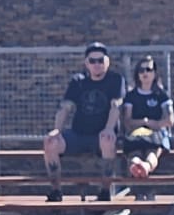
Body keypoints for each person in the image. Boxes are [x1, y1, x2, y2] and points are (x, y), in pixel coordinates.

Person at [42, 42, 123, 202]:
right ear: (86, 63)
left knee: (107, 141)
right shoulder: (78, 81)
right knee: (50, 142)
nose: (97, 64)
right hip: (78, 134)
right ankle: (56, 191)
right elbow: (65, 108)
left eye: (100, 60)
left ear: (107, 61)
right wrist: (57, 131)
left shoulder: (115, 80)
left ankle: (105, 191)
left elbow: (116, 106)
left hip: (100, 135)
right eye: (92, 61)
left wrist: (108, 129)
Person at [120, 55, 174, 167]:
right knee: (134, 153)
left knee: (153, 152)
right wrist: (142, 122)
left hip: (156, 134)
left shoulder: (162, 95)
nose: (145, 73)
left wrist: (152, 124)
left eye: (148, 70)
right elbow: (127, 121)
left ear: (155, 73)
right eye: (141, 70)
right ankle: (135, 166)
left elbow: (169, 120)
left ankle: (146, 167)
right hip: (136, 134)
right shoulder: (131, 96)